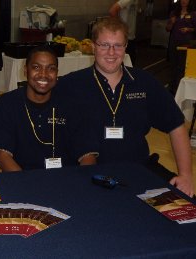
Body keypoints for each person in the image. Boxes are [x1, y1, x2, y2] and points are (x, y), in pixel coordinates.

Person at [56, 17, 194, 197]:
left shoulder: (144, 83)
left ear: (126, 47)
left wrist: (185, 175)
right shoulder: (72, 84)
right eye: (104, 45)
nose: (111, 52)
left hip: (138, 170)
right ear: (93, 46)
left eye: (118, 45)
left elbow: (176, 125)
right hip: (88, 175)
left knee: (187, 209)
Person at [0, 46, 98, 172]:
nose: (43, 74)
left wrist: (79, 183)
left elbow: (88, 155)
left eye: (51, 69)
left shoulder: (72, 105)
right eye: (36, 67)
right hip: (22, 181)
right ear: (25, 70)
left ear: (57, 73)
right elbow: (3, 155)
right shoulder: (7, 104)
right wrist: (27, 186)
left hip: (67, 181)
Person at [166, 0, 196, 95]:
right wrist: (171, 22)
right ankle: (172, 88)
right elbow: (168, 28)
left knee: (182, 66)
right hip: (174, 42)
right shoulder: (174, 13)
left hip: (186, 43)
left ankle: (182, 89)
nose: (184, 1)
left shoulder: (193, 13)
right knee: (173, 65)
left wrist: (189, 29)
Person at [109, 0, 139, 65]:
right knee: (127, 62)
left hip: (130, 36)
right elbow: (112, 11)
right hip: (126, 36)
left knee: (128, 61)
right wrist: (120, 27)